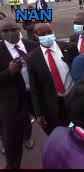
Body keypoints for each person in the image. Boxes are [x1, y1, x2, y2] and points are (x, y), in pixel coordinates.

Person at [27, 23, 78, 135]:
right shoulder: (32, 58)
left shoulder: (69, 48)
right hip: (53, 104)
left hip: (74, 98)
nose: (47, 35)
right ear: (36, 36)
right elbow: (35, 88)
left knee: (78, 128)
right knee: (60, 133)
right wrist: (39, 113)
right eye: (42, 34)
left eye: (49, 32)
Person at [0, 20, 38, 169]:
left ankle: (28, 136)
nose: (10, 33)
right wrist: (8, 72)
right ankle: (12, 163)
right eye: (5, 31)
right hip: (11, 98)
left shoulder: (32, 46)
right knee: (11, 133)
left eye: (13, 29)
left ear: (19, 29)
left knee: (32, 119)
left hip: (34, 93)